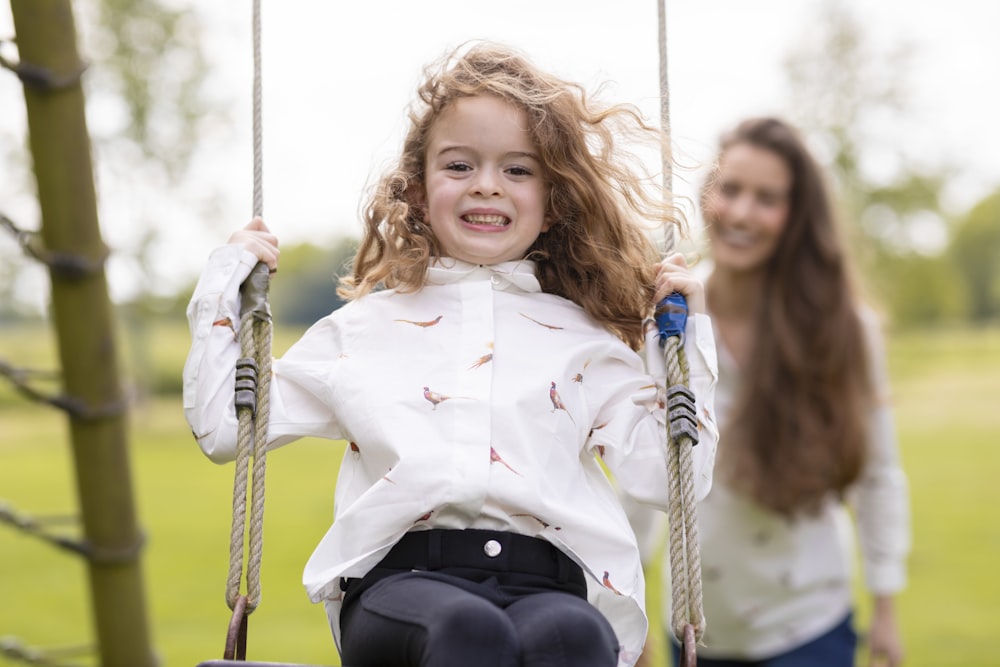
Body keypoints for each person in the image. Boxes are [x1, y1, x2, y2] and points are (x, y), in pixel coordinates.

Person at [183, 42, 720, 667]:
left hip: (552, 583)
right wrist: (227, 282)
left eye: (518, 170)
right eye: (460, 166)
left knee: (574, 639)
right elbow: (227, 427)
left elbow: (670, 477)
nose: (487, 186)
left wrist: (683, 342)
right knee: (469, 632)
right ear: (417, 189)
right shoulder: (363, 331)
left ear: (553, 203)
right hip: (403, 587)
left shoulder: (585, 341)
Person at [631, 117, 910, 667]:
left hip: (808, 624)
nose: (740, 213)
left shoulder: (842, 329)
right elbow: (643, 469)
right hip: (697, 627)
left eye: (767, 198)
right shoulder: (671, 318)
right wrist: (628, 610)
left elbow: (879, 475)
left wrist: (885, 610)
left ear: (796, 216)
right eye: (730, 189)